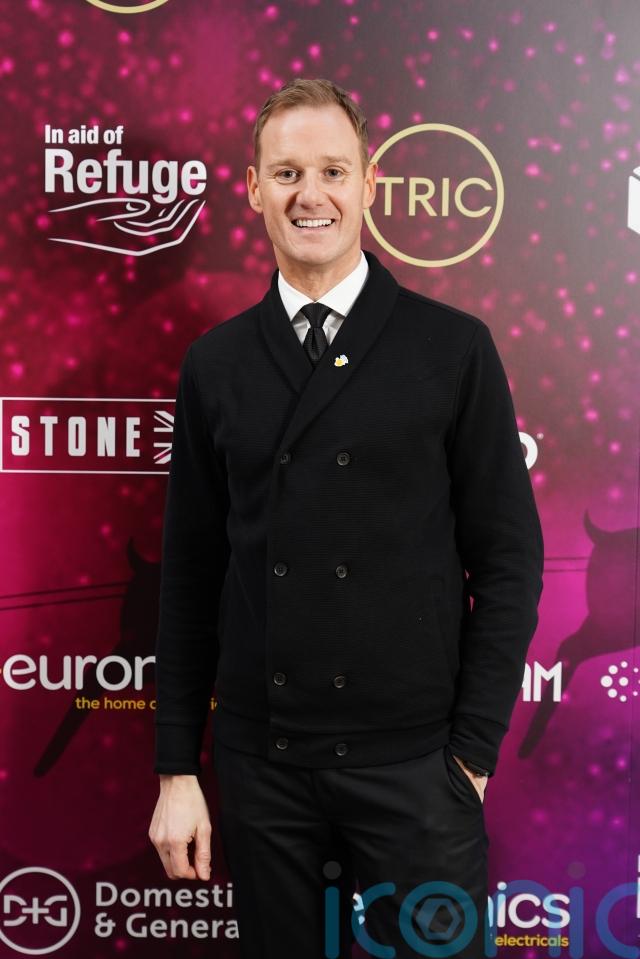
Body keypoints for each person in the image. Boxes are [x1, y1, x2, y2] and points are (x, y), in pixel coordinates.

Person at [149, 77, 544, 959]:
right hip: (266, 770)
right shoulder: (216, 364)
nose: (310, 195)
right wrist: (177, 767)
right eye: (287, 172)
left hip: (416, 768)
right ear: (253, 189)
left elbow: (510, 560)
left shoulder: (452, 348)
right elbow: (190, 577)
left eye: (332, 170)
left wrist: (471, 755)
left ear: (369, 185)